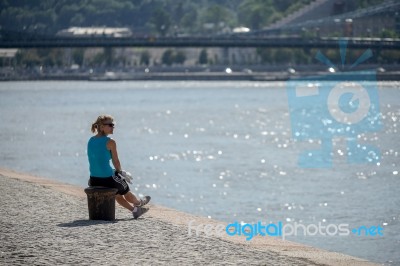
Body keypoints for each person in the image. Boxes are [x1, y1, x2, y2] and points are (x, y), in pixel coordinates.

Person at [87, 114, 150, 219]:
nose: (113, 127)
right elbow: (116, 161)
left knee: (117, 194)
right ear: (102, 127)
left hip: (93, 179)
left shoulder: (91, 140)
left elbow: (97, 161)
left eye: (113, 125)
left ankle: (135, 210)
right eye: (110, 125)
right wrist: (121, 172)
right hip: (107, 179)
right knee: (125, 190)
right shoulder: (110, 142)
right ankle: (139, 203)